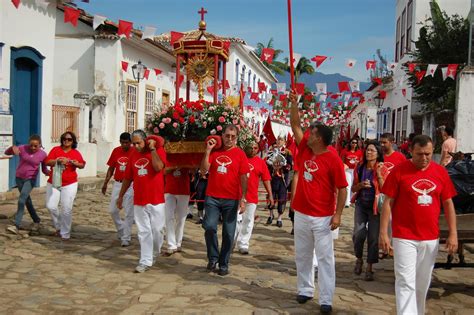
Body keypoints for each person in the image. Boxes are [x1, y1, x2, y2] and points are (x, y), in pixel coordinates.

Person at [379, 135, 458, 315]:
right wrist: (384, 233)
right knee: (405, 282)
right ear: (411, 152)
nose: (423, 158)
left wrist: (453, 233)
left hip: (430, 238)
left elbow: (448, 203)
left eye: (428, 154)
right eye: (419, 154)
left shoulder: (440, 172)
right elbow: (388, 203)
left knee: (422, 283)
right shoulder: (399, 171)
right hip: (404, 236)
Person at [289, 90, 348, 314]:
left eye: (311, 132)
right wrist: (294, 104)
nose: (307, 134)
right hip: (302, 213)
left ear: (320, 138)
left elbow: (343, 188)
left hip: (323, 217)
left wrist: (338, 214)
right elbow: (295, 125)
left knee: (325, 258)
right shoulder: (305, 148)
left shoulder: (333, 159)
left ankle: (326, 298)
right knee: (302, 254)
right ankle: (305, 289)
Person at [200, 124, 249, 276]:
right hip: (212, 197)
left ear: (237, 138)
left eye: (233, 137)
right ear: (222, 135)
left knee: (229, 233)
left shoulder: (240, 154)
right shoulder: (214, 151)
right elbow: (203, 170)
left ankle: (223, 263)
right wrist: (208, 150)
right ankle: (213, 257)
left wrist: (243, 199)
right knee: (209, 227)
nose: (229, 139)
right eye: (227, 136)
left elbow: (243, 177)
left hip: (231, 199)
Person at [117, 130, 167, 273]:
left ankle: (154, 252)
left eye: (138, 143)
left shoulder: (158, 150)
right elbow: (128, 177)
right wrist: (120, 196)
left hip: (156, 198)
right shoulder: (133, 154)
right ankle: (145, 260)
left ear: (145, 140)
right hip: (139, 199)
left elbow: (158, 167)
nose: (136, 146)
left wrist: (152, 149)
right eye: (134, 143)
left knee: (157, 230)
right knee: (143, 231)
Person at [351, 140, 388, 281]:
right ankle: (359, 258)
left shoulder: (383, 169)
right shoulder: (359, 168)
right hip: (361, 204)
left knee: (373, 238)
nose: (368, 152)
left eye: (372, 150)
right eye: (367, 150)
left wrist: (378, 175)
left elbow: (386, 190)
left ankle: (370, 267)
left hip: (375, 208)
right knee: (358, 234)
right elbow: (353, 188)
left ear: (378, 153)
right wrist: (360, 185)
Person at [4, 135, 50, 234]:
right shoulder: (22, 148)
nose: (33, 148)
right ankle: (36, 220)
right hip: (19, 178)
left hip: (30, 179)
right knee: (27, 201)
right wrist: (12, 148)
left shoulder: (43, 155)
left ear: (40, 145)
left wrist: (49, 173)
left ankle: (16, 225)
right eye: (31, 145)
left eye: (36, 146)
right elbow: (6, 153)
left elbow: (44, 169)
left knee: (21, 200)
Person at [45, 132, 86, 240]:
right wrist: (57, 161)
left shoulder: (75, 153)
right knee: (51, 206)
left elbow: (82, 165)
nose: (66, 141)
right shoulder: (55, 150)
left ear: (73, 141)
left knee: (66, 209)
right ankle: (59, 226)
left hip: (70, 183)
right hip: (54, 182)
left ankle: (65, 233)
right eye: (64, 139)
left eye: (69, 139)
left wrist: (73, 162)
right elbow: (47, 162)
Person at [235, 142, 274, 255]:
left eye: (255, 148)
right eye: (250, 147)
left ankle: (243, 243)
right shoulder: (239, 159)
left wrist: (270, 194)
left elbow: (266, 179)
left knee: (248, 221)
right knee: (236, 221)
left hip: (251, 197)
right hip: (236, 196)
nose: (253, 149)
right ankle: (231, 242)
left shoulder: (261, 163)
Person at [101, 132, 135, 247]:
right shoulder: (116, 151)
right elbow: (111, 168)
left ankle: (126, 237)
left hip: (131, 184)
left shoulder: (135, 151)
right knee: (112, 210)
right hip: (118, 183)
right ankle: (121, 229)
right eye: (122, 142)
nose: (124, 145)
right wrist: (105, 182)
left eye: (127, 143)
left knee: (129, 211)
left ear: (130, 142)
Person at [163, 167, 191, 256]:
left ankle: (178, 242)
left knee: (181, 219)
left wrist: (186, 164)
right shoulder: (167, 156)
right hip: (169, 189)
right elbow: (163, 171)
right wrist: (174, 166)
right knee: (168, 217)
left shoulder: (187, 157)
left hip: (184, 190)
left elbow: (194, 170)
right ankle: (171, 245)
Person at [266, 136, 293, 227]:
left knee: (282, 198)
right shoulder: (270, 151)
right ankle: (270, 215)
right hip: (272, 178)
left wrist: (282, 166)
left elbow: (290, 166)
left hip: (282, 179)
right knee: (270, 196)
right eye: (278, 139)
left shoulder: (287, 152)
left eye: (281, 140)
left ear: (284, 142)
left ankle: (279, 218)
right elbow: (267, 164)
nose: (279, 141)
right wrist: (271, 166)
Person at [340, 138, 363, 207]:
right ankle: (347, 202)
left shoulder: (359, 152)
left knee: (354, 185)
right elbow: (341, 161)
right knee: (348, 185)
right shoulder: (345, 151)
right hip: (348, 170)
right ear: (350, 143)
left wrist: (358, 164)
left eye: (356, 143)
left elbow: (361, 161)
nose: (354, 144)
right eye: (353, 142)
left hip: (355, 170)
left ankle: (352, 200)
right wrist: (344, 166)